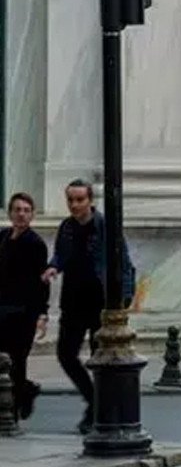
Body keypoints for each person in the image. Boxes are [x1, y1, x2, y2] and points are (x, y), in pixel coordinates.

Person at [42, 179, 136, 435]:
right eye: (70, 200)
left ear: (90, 200)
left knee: (100, 358)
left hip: (100, 302)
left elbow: (124, 261)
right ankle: (94, 400)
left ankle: (101, 413)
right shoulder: (67, 227)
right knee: (65, 353)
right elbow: (61, 253)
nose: (74, 205)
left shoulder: (105, 226)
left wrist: (123, 301)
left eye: (80, 200)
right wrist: (53, 266)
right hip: (73, 301)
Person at [0, 192, 49, 422]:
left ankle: (15, 408)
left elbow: (41, 282)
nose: (21, 214)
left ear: (32, 215)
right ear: (10, 213)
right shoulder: (2, 237)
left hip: (24, 311)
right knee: (4, 359)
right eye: (17, 209)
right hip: (2, 308)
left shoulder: (36, 244)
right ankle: (24, 391)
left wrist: (42, 313)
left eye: (26, 210)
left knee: (17, 360)